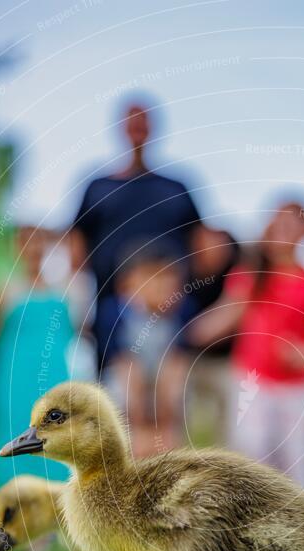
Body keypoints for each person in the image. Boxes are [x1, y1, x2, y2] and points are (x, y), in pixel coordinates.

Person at [191, 200, 304, 499]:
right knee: (251, 448)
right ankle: (253, 523)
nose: (283, 231)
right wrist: (190, 332)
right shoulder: (253, 275)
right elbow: (231, 310)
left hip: (299, 387)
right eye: (278, 223)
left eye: (292, 224)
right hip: (253, 379)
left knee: (298, 457)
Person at [70, 99, 200, 373]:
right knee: (119, 388)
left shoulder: (176, 188)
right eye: (132, 122)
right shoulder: (98, 187)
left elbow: (200, 240)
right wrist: (78, 298)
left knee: (168, 389)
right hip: (111, 308)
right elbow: (76, 242)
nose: (138, 128)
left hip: (170, 310)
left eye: (143, 121)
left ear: (153, 128)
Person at [0, 227, 75, 486]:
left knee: (53, 429)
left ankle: (56, 496)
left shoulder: (64, 290)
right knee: (13, 427)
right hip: (14, 375)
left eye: (38, 244)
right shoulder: (4, 291)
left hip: (54, 372)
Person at [108, 239, 187, 455]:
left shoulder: (178, 316)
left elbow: (176, 359)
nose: (165, 285)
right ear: (128, 284)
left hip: (163, 392)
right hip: (132, 392)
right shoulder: (117, 315)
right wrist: (138, 410)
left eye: (171, 277)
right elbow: (123, 364)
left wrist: (167, 404)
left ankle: (167, 450)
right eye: (154, 277)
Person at [168, 226, 239, 446]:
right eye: (206, 243)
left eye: (219, 245)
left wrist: (196, 332)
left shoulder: (237, 276)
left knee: (230, 423)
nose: (212, 249)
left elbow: (230, 315)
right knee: (180, 413)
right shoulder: (182, 276)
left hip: (227, 362)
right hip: (190, 361)